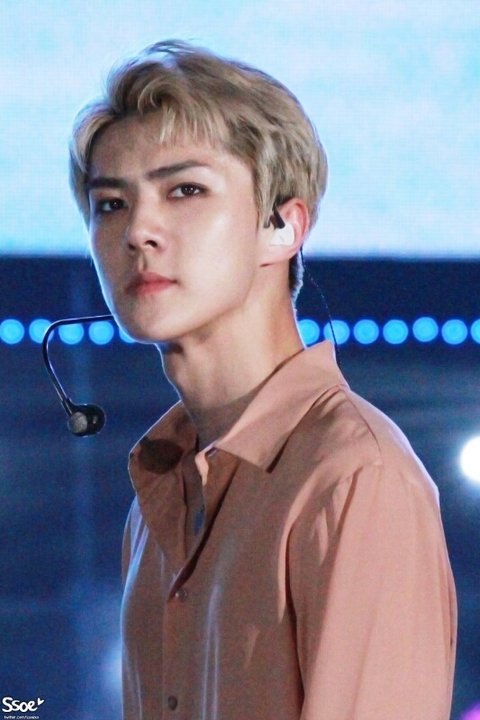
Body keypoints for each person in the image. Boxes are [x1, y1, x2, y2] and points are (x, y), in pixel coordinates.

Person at [69, 40, 456, 719]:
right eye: (111, 204)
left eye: (185, 190)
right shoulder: (158, 503)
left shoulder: (353, 479)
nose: (138, 231)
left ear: (283, 225)